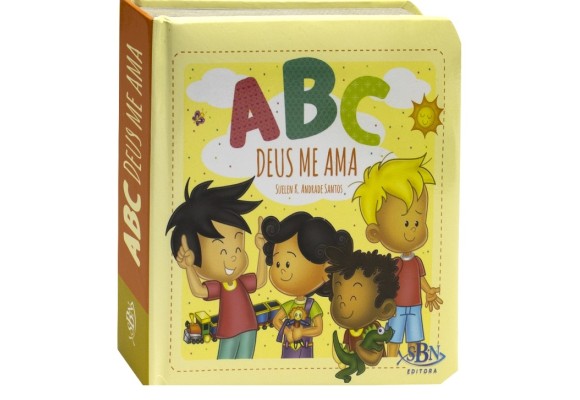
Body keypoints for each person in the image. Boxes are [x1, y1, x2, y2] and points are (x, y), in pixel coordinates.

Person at [166, 178, 267, 359]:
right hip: (228, 333)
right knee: (224, 363)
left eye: (238, 248)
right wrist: (189, 268)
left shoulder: (241, 283)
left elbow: (260, 280)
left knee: (245, 365)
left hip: (250, 329)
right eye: (222, 251)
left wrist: (262, 250)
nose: (234, 256)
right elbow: (199, 290)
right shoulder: (219, 287)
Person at [353, 155, 443, 357]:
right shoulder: (395, 264)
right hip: (397, 307)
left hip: (415, 306)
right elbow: (387, 284)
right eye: (406, 223)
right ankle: (391, 362)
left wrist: (429, 291)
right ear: (375, 233)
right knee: (393, 338)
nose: (413, 229)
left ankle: (413, 361)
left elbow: (420, 279)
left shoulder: (417, 261)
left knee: (414, 338)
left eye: (418, 222)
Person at [261, 212, 351, 358]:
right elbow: (276, 320)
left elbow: (318, 329)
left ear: (326, 270)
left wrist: (302, 332)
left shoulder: (312, 306)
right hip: (287, 349)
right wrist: (287, 332)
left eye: (288, 264)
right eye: (277, 264)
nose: (282, 270)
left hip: (305, 350)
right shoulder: (289, 305)